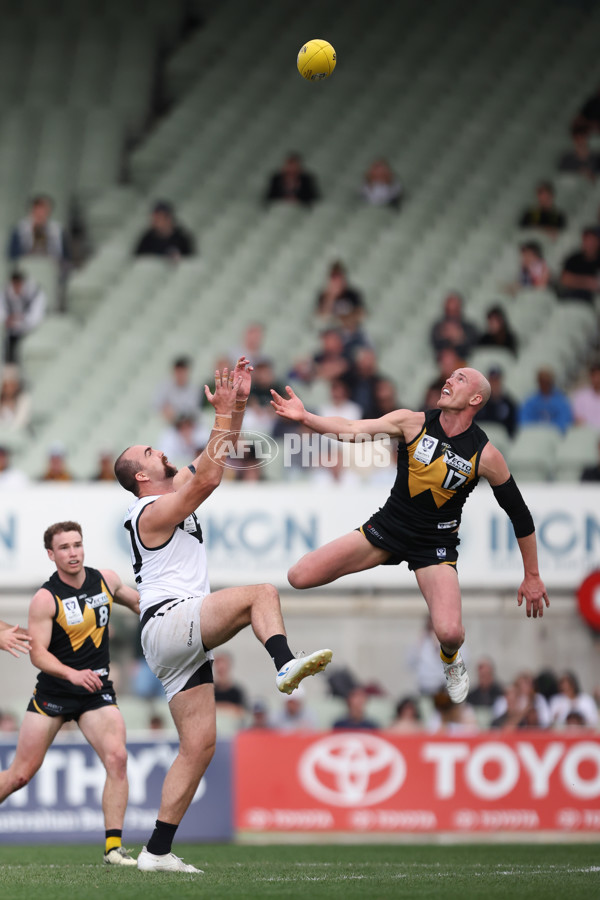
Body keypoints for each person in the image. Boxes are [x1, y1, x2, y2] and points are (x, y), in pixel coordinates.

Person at [113, 357, 332, 873]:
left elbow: (215, 464)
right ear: (142, 475)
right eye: (151, 452)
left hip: (168, 633)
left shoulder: (169, 497)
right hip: (171, 619)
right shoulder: (148, 511)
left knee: (199, 746)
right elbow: (208, 478)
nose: (161, 450)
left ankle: (156, 852)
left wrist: (232, 409)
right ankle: (283, 663)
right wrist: (223, 420)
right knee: (261, 593)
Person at [270, 366, 549, 704]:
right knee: (298, 576)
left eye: (460, 379)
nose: (449, 380)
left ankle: (450, 660)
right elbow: (352, 428)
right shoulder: (412, 421)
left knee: (448, 633)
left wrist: (532, 574)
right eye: (450, 376)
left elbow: (519, 513)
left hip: (435, 546)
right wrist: (306, 417)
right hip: (388, 529)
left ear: (476, 398)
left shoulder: (486, 455)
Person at [0, 521, 140, 866]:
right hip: (55, 692)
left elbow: (142, 605)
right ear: (51, 554)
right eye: (64, 548)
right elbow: (38, 653)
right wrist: (72, 675)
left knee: (117, 758)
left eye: (77, 544)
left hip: (96, 693)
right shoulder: (45, 598)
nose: (73, 552)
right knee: (19, 775)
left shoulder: (106, 579)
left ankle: (113, 849)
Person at [0, 270, 46, 365]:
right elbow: (2, 314)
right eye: (14, 285)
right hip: (11, 335)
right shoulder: (5, 293)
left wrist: (20, 320)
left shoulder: (35, 293)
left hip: (32, 334)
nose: (17, 288)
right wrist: (8, 319)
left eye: (19, 284)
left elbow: (36, 318)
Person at [8, 195, 67, 262]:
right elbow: (13, 256)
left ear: (49, 211)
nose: (40, 214)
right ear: (32, 210)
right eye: (37, 210)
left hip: (52, 267)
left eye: (43, 210)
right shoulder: (19, 230)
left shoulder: (58, 230)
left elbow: (65, 257)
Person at [519, 368, 573, 434]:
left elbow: (564, 422)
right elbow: (524, 421)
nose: (544, 385)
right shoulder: (530, 401)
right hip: (534, 436)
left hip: (555, 437)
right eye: (542, 381)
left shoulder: (561, 401)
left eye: (547, 382)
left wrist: (550, 431)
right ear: (538, 382)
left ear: (552, 382)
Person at [430, 292, 479, 358]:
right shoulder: (438, 328)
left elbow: (473, 347)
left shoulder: (469, 328)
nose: (452, 315)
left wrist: (460, 339)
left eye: (454, 310)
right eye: (449, 311)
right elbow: (435, 346)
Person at [558, 227, 600, 304]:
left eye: (593, 240)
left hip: (595, 299)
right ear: (583, 241)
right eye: (588, 240)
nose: (590, 244)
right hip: (572, 295)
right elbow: (565, 280)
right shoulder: (573, 259)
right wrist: (589, 282)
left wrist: (576, 281)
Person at [153, 356, 200, 425]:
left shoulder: (194, 390)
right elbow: (156, 404)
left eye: (182, 372)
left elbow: (192, 410)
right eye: (178, 372)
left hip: (186, 425)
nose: (180, 375)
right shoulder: (165, 386)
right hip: (166, 422)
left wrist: (175, 412)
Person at [474, 367, 518, 438]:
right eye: (492, 381)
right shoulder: (479, 403)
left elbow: (513, 429)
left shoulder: (509, 404)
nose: (494, 384)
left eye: (496, 381)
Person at [0, 364, 32, 432]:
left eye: (12, 384)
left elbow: (21, 421)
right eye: (6, 385)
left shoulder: (23, 399)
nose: (9, 388)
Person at [571, 362, 600, 426]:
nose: (598, 380)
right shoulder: (580, 396)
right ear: (591, 377)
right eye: (595, 376)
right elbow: (577, 419)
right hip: (586, 433)